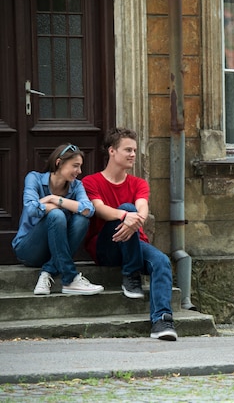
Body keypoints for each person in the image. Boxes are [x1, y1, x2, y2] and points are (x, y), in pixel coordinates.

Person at [82, 128, 177, 341]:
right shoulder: (91, 182)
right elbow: (99, 209)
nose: (133, 154)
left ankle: (162, 320)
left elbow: (142, 208)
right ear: (112, 151)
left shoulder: (138, 183)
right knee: (127, 208)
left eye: (134, 150)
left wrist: (134, 217)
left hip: (136, 240)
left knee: (161, 261)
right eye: (128, 150)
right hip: (107, 247)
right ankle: (131, 273)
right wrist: (126, 215)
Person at [12, 143, 104, 296]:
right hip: (28, 249)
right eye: (75, 166)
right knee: (56, 215)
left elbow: (89, 210)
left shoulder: (76, 186)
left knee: (82, 220)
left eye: (80, 167)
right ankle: (70, 277)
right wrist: (64, 208)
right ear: (59, 162)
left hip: (55, 250)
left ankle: (48, 272)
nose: (79, 171)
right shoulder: (34, 178)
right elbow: (30, 208)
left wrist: (54, 199)